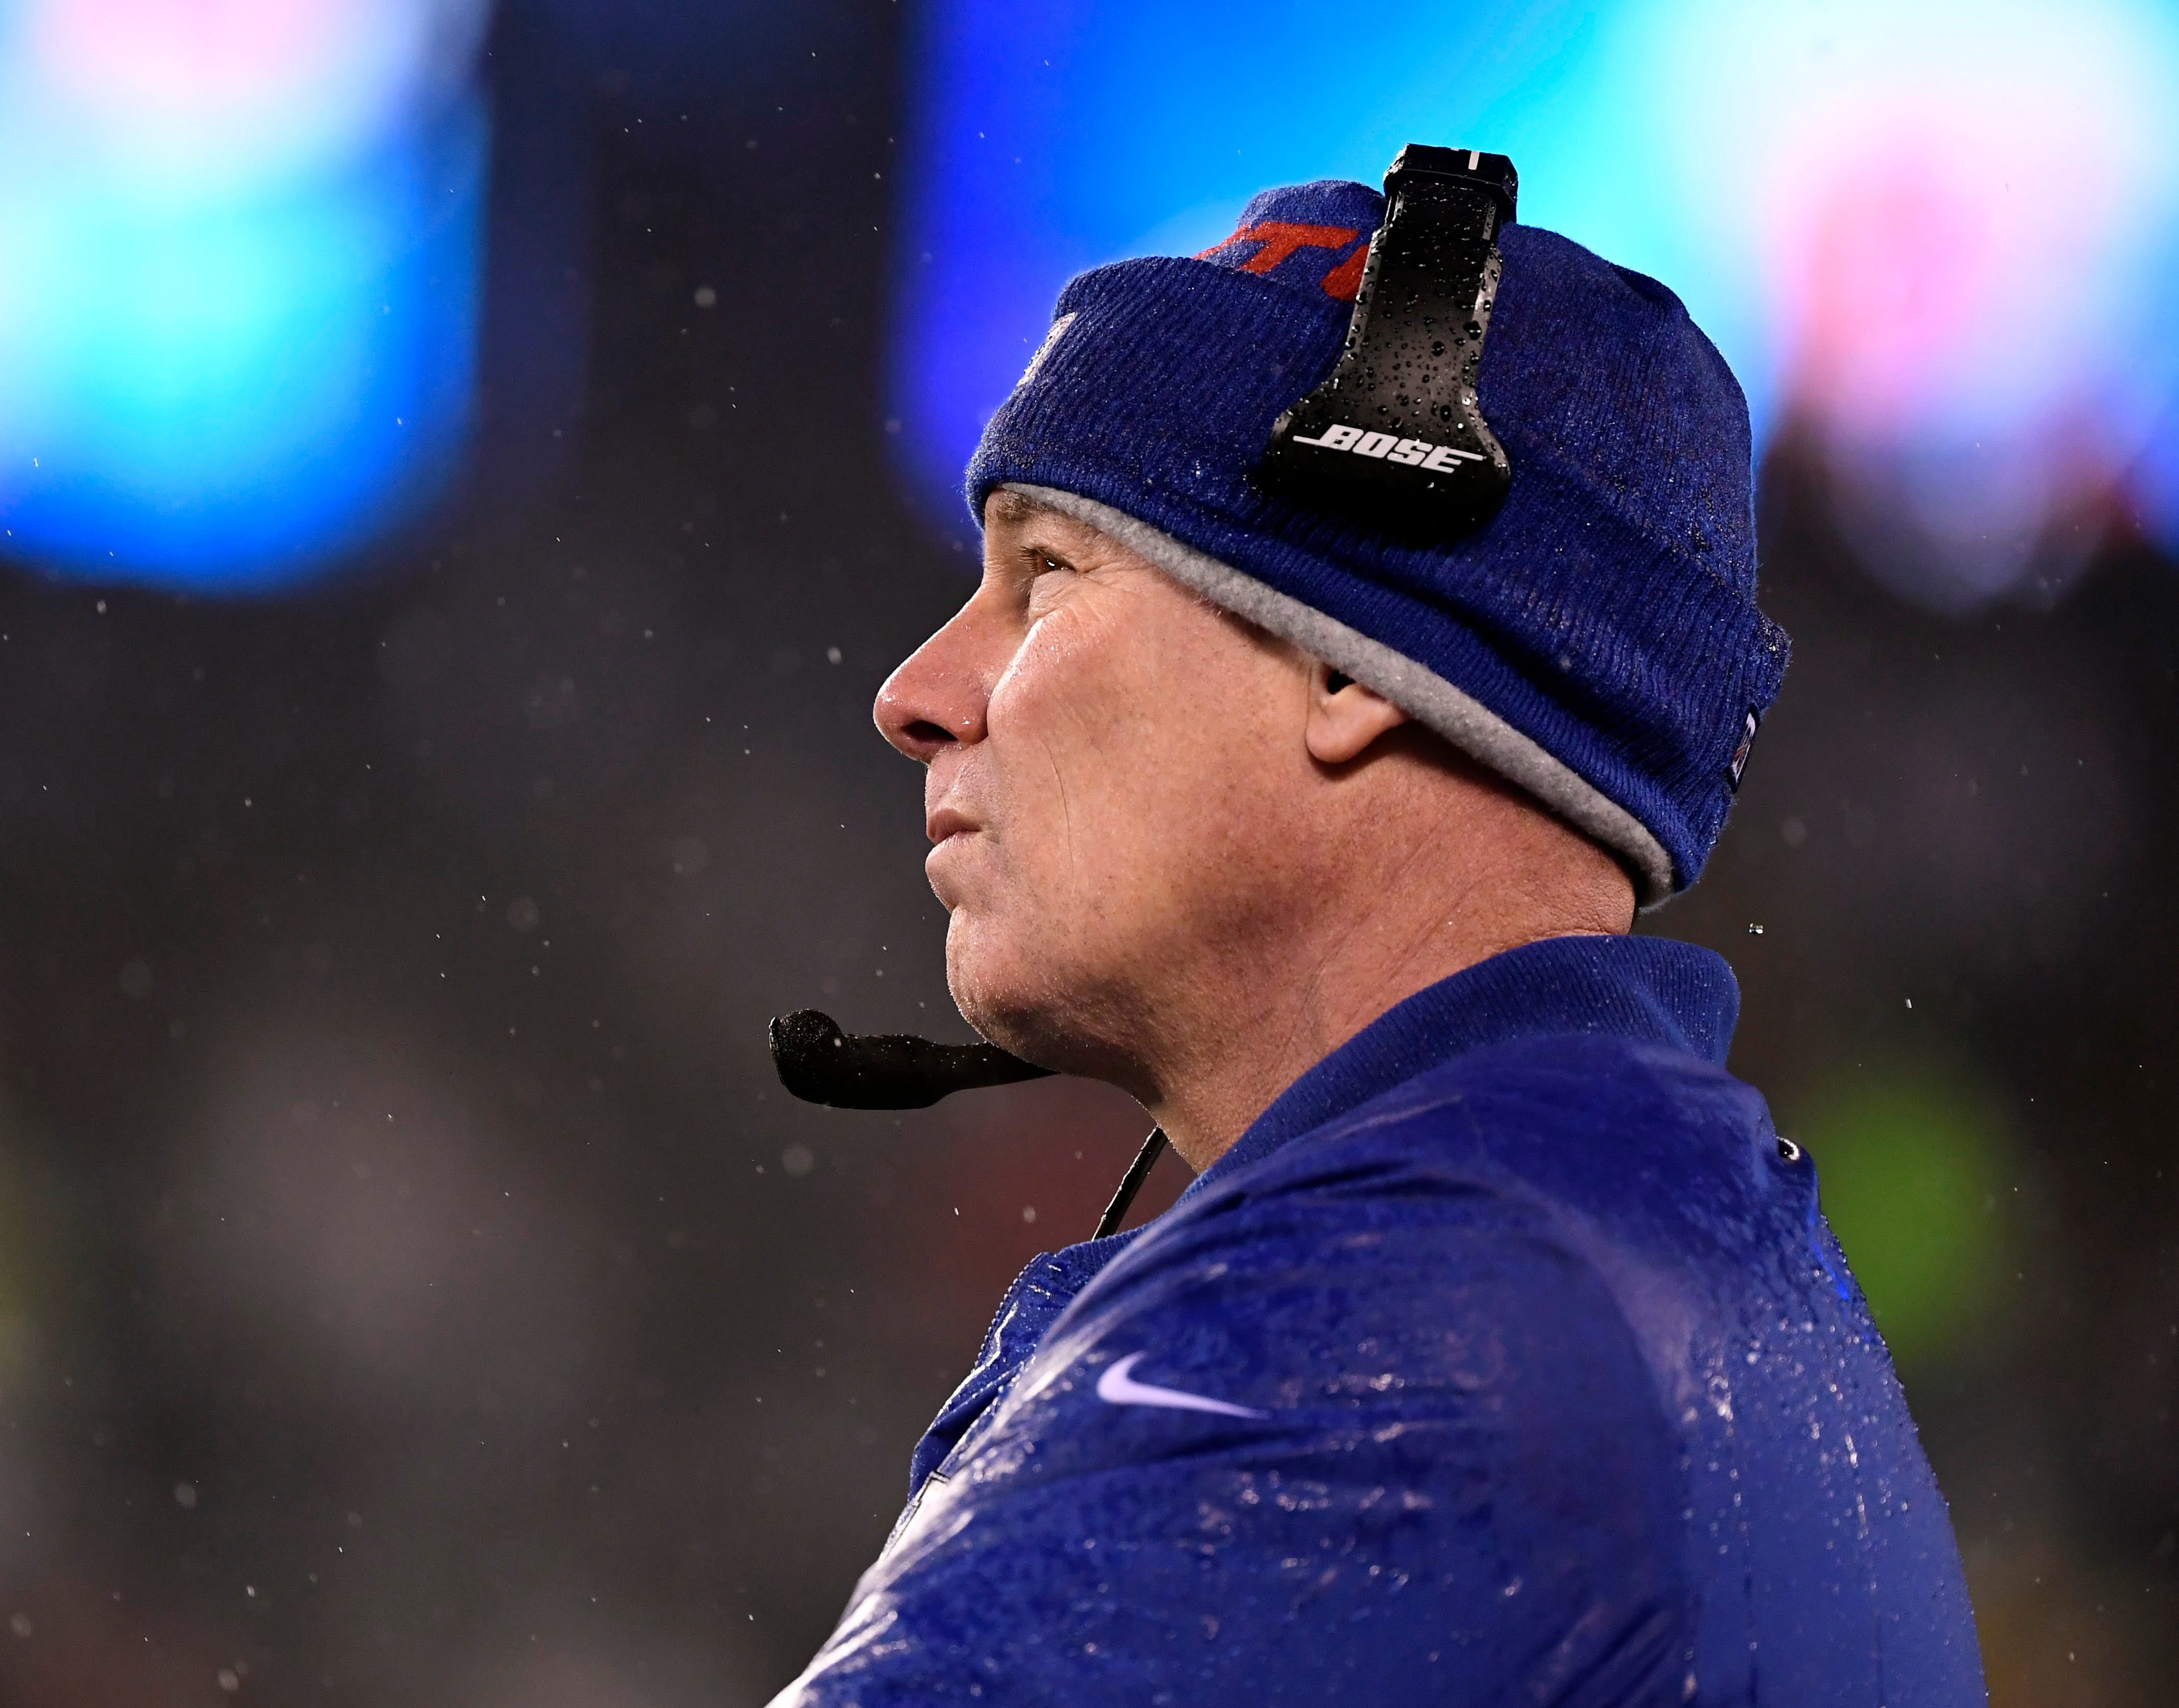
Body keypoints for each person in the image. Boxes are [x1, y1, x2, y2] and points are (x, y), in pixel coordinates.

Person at [769, 165, 1987, 1705]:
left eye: (1048, 576)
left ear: (1354, 667)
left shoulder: (1390, 1334)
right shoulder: (1620, 1234)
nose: (917, 692)